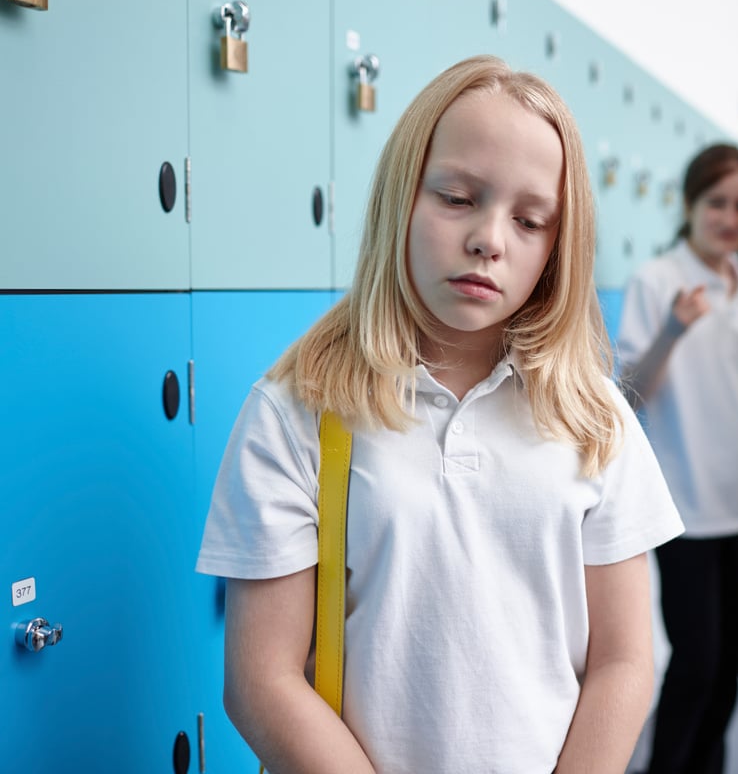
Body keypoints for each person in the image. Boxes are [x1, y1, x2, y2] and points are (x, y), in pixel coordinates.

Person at [195, 55, 684, 774]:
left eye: (530, 219)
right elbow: (261, 681)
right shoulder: (299, 409)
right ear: (403, 195)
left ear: (558, 245)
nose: (491, 238)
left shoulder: (594, 417)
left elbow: (622, 662)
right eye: (457, 197)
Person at [616, 143, 738, 774]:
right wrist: (673, 328)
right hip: (686, 505)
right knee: (696, 663)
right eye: (717, 202)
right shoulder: (658, 279)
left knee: (728, 668)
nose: (730, 218)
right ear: (689, 204)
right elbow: (629, 393)